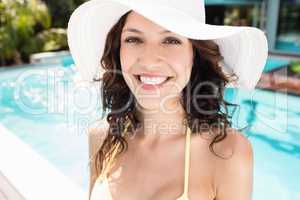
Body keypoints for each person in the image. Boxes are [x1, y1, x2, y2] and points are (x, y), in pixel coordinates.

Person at [67, 0, 268, 199]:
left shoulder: (227, 152)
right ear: (117, 50)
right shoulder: (101, 137)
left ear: (195, 54)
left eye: (171, 40)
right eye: (133, 39)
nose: (149, 60)